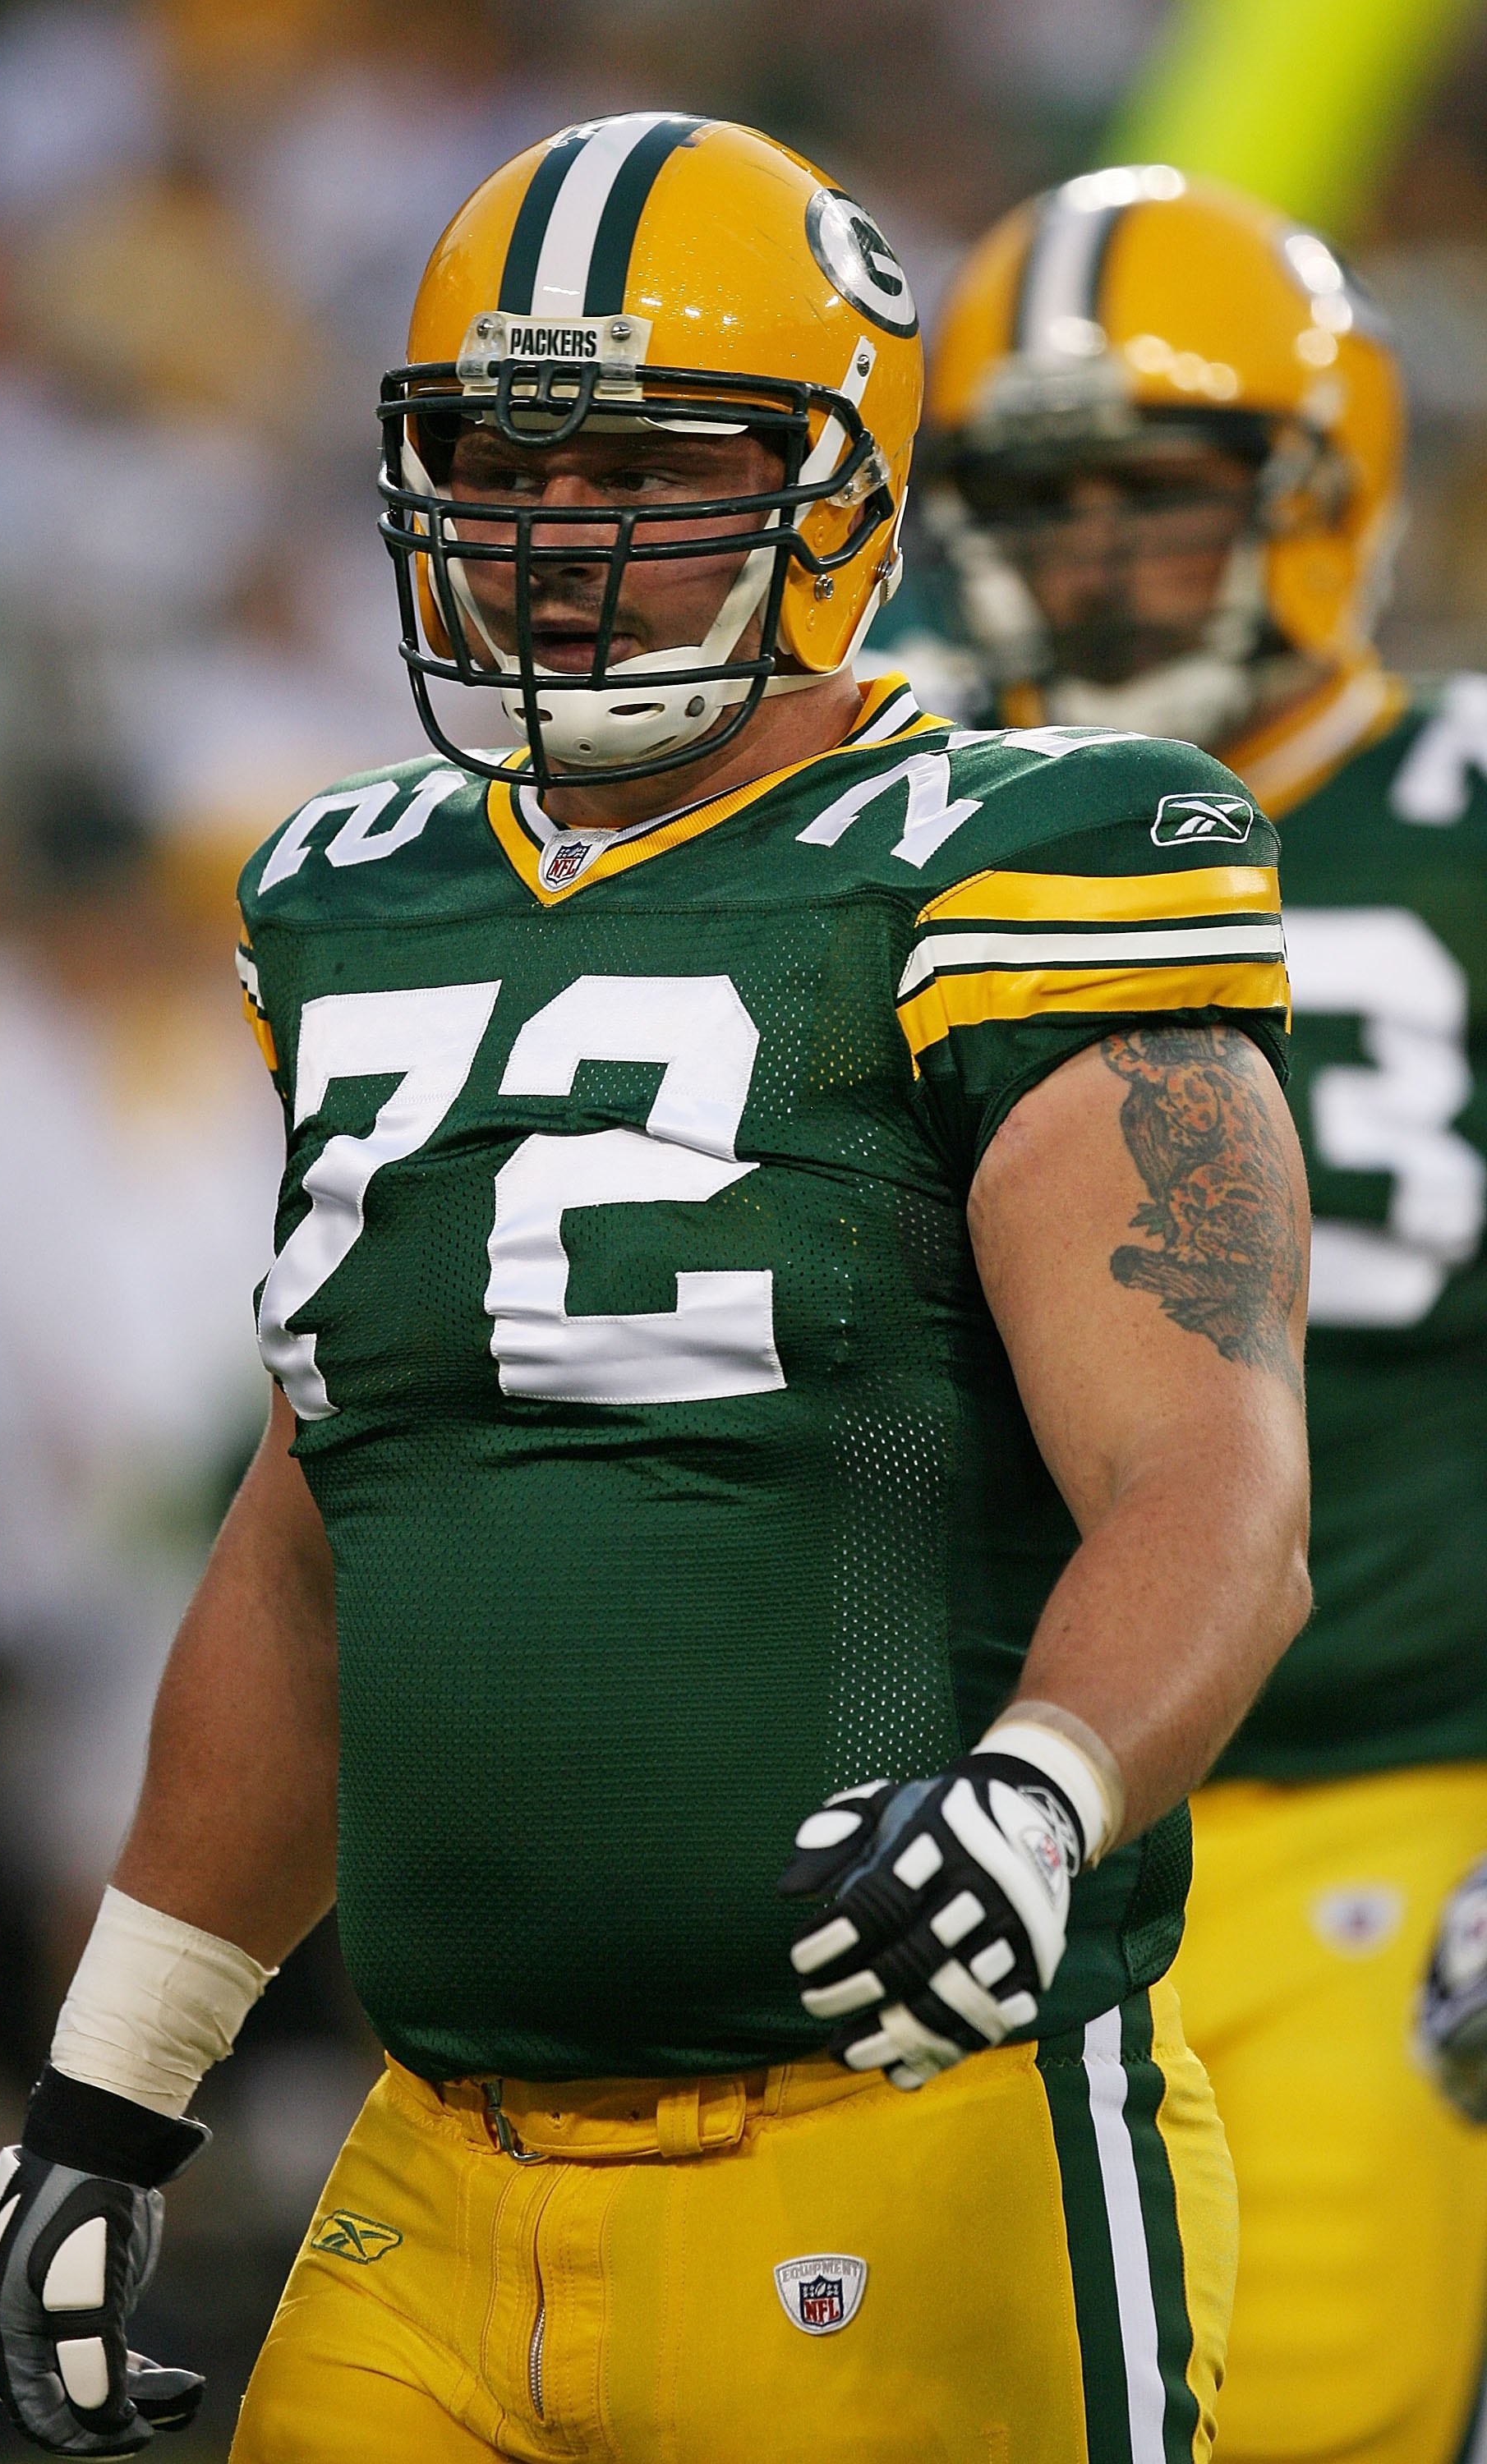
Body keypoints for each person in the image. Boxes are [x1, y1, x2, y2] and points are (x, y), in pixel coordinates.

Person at [0, 118, 1310, 2463]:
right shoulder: (351, 891)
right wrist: (114, 2083)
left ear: (845, 495)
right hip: (436, 2152)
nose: (554, 541)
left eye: (647, 471)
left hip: (908, 2148)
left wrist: (1033, 1797)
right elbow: (319, 1539)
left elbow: (1212, 1472)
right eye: (500, 462)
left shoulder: (1024, 858)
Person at [895, 163, 1487, 2464]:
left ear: (1317, 491)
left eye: (1164, 490)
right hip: (992, 1806)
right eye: (1050, 500)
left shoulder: (1453, 807)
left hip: (1385, 1796)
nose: (1107, 556)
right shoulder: (913, 821)